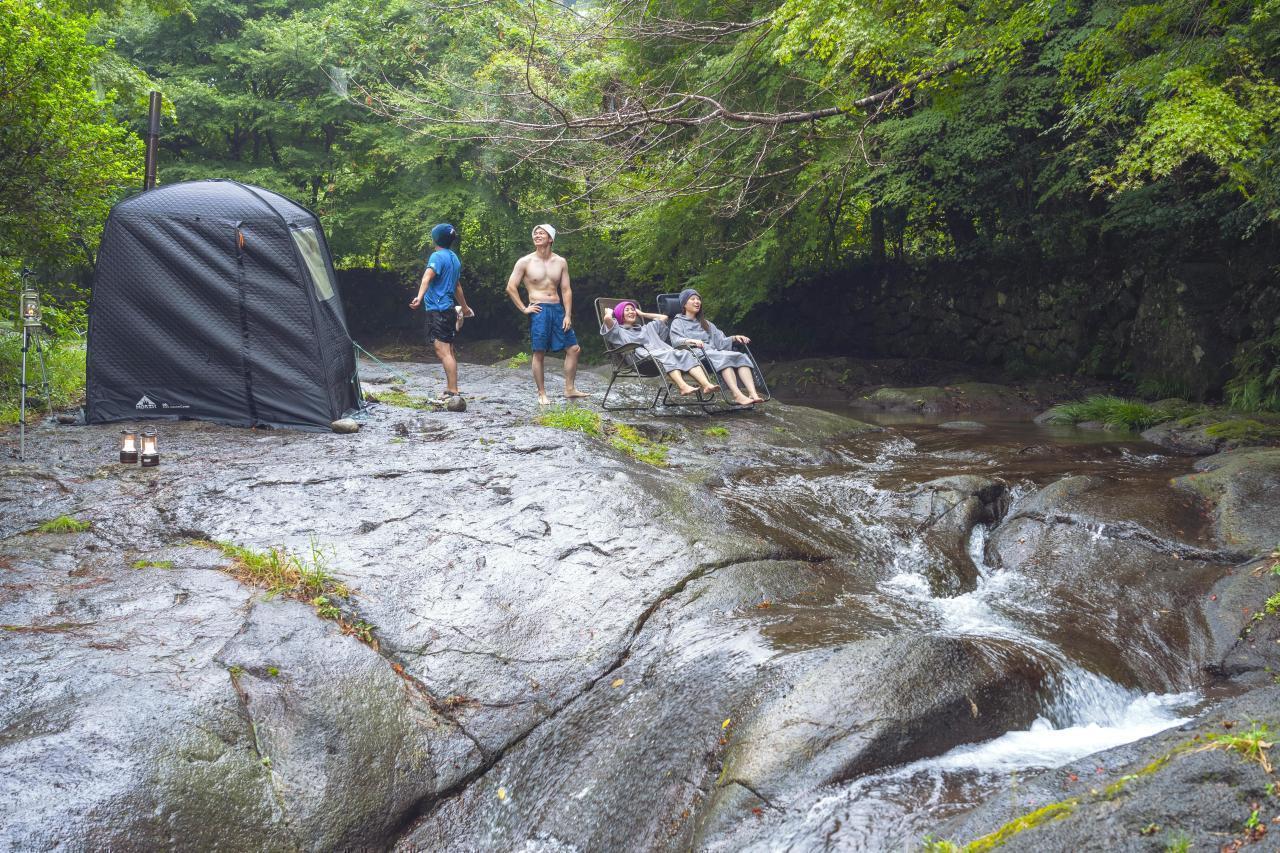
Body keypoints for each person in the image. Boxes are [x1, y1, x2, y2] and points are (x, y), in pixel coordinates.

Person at [504, 224, 587, 404]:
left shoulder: (561, 262)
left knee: (574, 349)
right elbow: (511, 287)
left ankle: (569, 388)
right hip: (539, 309)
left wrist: (567, 315)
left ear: (551, 239)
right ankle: (542, 393)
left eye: (541, 233)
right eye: (535, 233)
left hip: (557, 309)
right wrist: (524, 308)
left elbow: (566, 290)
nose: (537, 235)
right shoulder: (525, 262)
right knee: (539, 351)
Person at [600, 301, 720, 396]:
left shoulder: (646, 328)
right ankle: (683, 386)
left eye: (633, 310)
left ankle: (706, 385)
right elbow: (607, 320)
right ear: (620, 313)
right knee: (668, 354)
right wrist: (609, 312)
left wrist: (643, 314)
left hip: (659, 355)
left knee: (685, 353)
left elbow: (663, 318)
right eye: (627, 310)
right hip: (640, 360)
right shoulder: (618, 331)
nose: (632, 312)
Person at [668, 288, 765, 406]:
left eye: (698, 299)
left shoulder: (706, 323)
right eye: (692, 299)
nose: (697, 302)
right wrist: (691, 341)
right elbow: (676, 342)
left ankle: (753, 394)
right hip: (697, 357)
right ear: (684, 304)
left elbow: (720, 343)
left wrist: (734, 338)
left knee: (741, 356)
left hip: (713, 353)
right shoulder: (678, 322)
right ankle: (737, 395)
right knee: (724, 359)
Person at [409, 223, 474, 399]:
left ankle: (453, 390)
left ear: (435, 239)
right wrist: (465, 307)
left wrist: (419, 297)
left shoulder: (437, 256)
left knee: (442, 350)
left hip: (438, 310)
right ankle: (451, 387)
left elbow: (427, 277)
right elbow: (457, 286)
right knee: (449, 349)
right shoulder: (454, 258)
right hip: (448, 309)